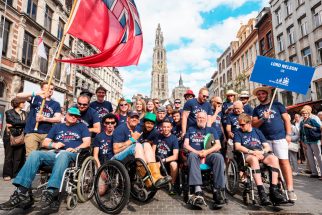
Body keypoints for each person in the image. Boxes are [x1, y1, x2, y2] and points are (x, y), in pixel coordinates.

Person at [0, 107, 90, 213]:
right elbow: (45, 142)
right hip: (55, 153)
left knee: (64, 154)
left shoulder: (82, 127)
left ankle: (51, 192)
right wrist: (54, 144)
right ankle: (21, 193)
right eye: (71, 114)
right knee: (35, 154)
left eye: (76, 116)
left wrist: (76, 149)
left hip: (71, 155)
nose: (73, 117)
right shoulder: (57, 127)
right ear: (66, 115)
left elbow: (87, 143)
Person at [252, 86, 296, 201]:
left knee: (284, 163)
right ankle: (276, 188)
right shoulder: (256, 109)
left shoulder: (277, 105)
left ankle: (290, 190)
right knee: (271, 164)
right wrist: (263, 118)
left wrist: (288, 135)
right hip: (265, 141)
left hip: (280, 138)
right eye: (259, 94)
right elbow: (254, 124)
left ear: (267, 94)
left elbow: (287, 119)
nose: (261, 96)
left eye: (263, 94)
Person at [234, 113, 287, 205]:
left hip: (260, 153)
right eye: (239, 124)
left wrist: (261, 152)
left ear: (249, 123)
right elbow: (237, 146)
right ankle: (261, 191)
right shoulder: (238, 132)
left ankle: (274, 190)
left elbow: (266, 146)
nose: (240, 126)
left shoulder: (257, 131)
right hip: (247, 154)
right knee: (254, 160)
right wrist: (252, 152)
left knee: (274, 159)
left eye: (242, 124)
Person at [112, 111, 169, 188]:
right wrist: (132, 140)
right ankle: (147, 180)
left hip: (132, 155)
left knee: (146, 144)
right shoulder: (121, 129)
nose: (134, 119)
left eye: (136, 118)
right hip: (118, 157)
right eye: (132, 117)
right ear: (127, 119)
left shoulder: (139, 129)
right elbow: (115, 150)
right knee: (137, 145)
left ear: (139, 121)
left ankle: (156, 176)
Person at [184, 111, 226, 208]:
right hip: (195, 155)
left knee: (219, 157)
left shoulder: (211, 129)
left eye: (203, 118)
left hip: (208, 156)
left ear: (206, 119)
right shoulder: (191, 129)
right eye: (199, 118)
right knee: (191, 155)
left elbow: (218, 145)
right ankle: (198, 190)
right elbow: (186, 144)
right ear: (196, 119)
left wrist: (206, 152)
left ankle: (217, 191)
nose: (201, 119)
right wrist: (197, 152)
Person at [16, 81, 61, 156]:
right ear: (42, 89)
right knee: (31, 156)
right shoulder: (35, 98)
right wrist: (38, 94)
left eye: (52, 89)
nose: (50, 90)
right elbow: (19, 96)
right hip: (32, 132)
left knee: (44, 157)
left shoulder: (55, 104)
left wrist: (44, 119)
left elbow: (58, 119)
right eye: (47, 88)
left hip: (47, 134)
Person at [3, 98, 27, 181]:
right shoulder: (9, 112)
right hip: (10, 136)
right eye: (23, 102)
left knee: (18, 157)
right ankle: (7, 174)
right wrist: (21, 123)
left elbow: (26, 122)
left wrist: (15, 124)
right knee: (8, 156)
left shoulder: (25, 113)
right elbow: (12, 121)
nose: (24, 104)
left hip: (21, 136)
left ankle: (15, 174)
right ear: (18, 103)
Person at [156, 118, 179, 195]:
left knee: (174, 164)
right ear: (162, 127)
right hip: (157, 160)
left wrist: (163, 161)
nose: (166, 129)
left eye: (167, 127)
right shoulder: (158, 136)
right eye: (164, 127)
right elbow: (152, 150)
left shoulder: (174, 138)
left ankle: (172, 184)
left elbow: (175, 156)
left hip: (167, 161)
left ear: (171, 127)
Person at [299, 107, 322, 179]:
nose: (304, 114)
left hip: (314, 140)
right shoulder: (301, 122)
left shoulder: (312, 120)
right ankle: (314, 172)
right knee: (310, 158)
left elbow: (319, 128)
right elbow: (301, 133)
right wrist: (302, 142)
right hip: (306, 142)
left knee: (318, 157)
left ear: (308, 114)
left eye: (306, 113)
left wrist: (310, 127)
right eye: (303, 113)